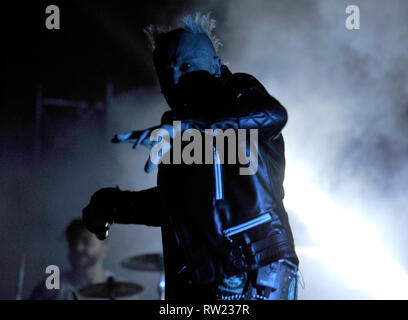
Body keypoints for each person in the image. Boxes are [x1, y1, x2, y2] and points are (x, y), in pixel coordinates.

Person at [83, 12, 299, 300]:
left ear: (215, 66)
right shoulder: (178, 125)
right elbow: (181, 206)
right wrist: (116, 205)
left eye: (186, 66)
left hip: (251, 276)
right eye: (165, 71)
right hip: (201, 281)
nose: (174, 79)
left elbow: (272, 115)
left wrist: (189, 126)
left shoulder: (236, 91)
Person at [30, 219, 112, 300]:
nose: (78, 248)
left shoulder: (120, 292)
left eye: (86, 241)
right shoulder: (49, 289)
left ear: (104, 249)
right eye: (73, 241)